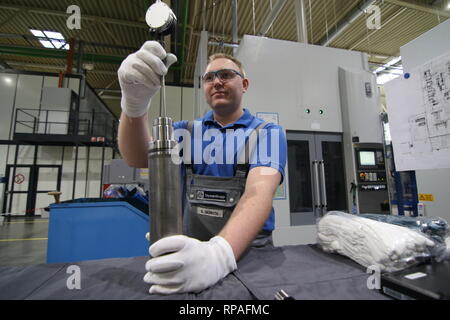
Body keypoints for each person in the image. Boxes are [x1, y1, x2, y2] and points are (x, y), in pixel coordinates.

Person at [117, 41, 287, 295]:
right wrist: (134, 105)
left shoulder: (267, 133)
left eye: (226, 75)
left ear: (245, 84)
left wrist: (219, 254)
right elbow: (137, 156)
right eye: (209, 77)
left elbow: (258, 192)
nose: (217, 81)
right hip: (190, 256)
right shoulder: (185, 132)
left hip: (251, 258)